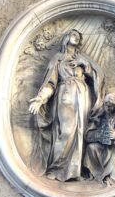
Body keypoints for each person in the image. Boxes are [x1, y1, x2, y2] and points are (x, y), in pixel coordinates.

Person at [28, 29, 105, 182]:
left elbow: (98, 76)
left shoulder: (83, 59)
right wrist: (40, 99)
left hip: (83, 96)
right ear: (66, 38)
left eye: (78, 35)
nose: (76, 37)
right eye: (73, 35)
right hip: (66, 95)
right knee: (66, 131)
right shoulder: (58, 59)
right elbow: (51, 83)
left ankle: (76, 170)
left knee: (81, 131)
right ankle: (57, 168)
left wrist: (85, 64)